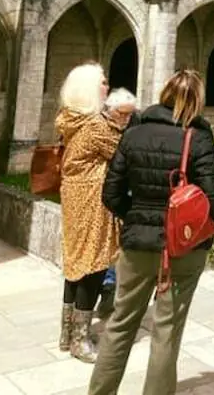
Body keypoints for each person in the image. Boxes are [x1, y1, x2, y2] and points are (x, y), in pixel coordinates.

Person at [88, 70, 214, 395]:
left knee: (120, 325)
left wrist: (136, 218)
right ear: (197, 102)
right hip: (182, 249)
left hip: (137, 246)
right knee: (166, 331)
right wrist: (195, 236)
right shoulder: (198, 137)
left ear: (164, 95)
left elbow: (111, 194)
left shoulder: (133, 133)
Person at [56, 63, 126, 362]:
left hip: (73, 194)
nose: (107, 87)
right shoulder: (95, 126)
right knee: (94, 266)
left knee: (75, 263)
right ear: (87, 88)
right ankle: (80, 340)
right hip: (93, 198)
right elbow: (123, 151)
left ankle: (66, 332)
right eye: (102, 82)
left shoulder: (70, 119)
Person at [96, 88, 140, 321]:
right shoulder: (99, 128)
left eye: (128, 115)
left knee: (117, 245)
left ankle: (109, 289)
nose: (125, 119)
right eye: (121, 114)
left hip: (122, 194)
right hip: (102, 195)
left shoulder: (135, 124)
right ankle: (104, 288)